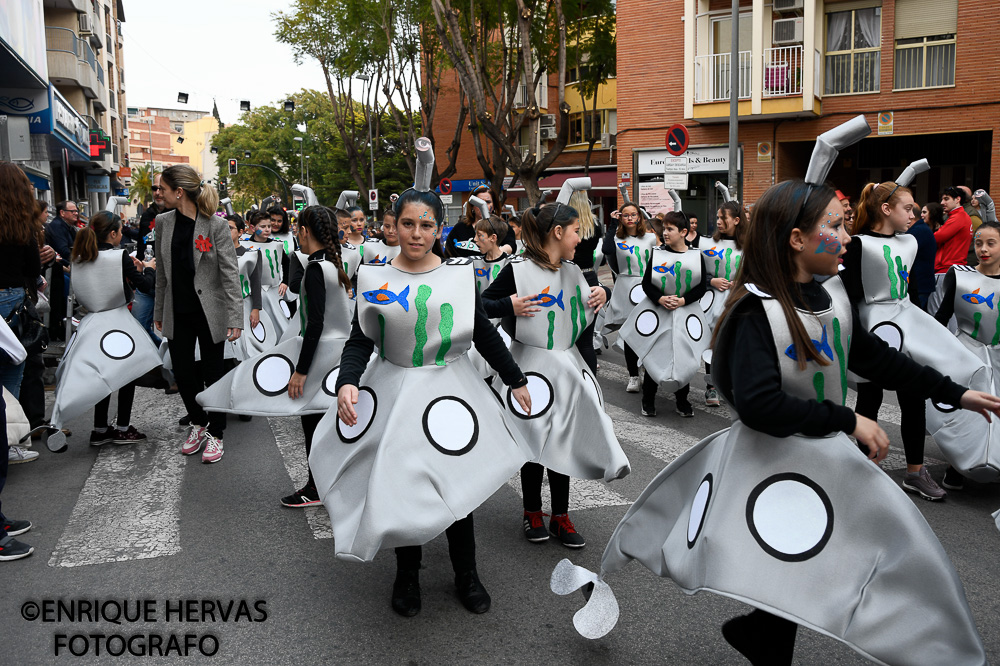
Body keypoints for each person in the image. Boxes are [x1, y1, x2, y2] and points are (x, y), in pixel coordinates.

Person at [556, 179, 999, 665]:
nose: (847, 237)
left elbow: (874, 356)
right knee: (804, 557)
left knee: (811, 561)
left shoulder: (830, 295)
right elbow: (759, 403)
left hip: (816, 453)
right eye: (834, 226)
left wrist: (954, 391)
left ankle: (766, 633)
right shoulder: (755, 311)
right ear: (795, 239)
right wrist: (848, 418)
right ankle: (771, 638)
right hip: (771, 459)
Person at [309, 183, 534, 618]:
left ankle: (466, 573)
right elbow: (360, 339)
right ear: (394, 226)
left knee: (457, 484)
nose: (415, 233)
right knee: (404, 484)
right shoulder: (373, 276)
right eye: (407, 223)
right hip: (395, 394)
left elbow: (482, 333)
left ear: (439, 228)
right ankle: (406, 575)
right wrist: (348, 381)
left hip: (452, 390)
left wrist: (515, 378)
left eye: (425, 225)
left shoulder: (458, 275)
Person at [483, 202, 625, 549]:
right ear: (558, 233)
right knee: (533, 439)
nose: (580, 238)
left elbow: (591, 304)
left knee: (564, 437)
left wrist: (603, 293)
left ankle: (560, 515)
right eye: (576, 231)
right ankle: (532, 511)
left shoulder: (575, 269)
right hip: (528, 369)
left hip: (567, 367)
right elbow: (480, 305)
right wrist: (509, 307)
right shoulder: (517, 270)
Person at [196, 207, 352, 506]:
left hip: (322, 357)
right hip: (336, 356)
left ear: (305, 231)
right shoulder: (330, 263)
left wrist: (301, 370)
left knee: (314, 426)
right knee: (327, 426)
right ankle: (324, 485)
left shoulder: (317, 268)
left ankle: (316, 488)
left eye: (297, 227)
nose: (294, 232)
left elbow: (315, 324)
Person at [842, 180, 987, 500]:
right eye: (907, 208)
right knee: (870, 397)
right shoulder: (856, 244)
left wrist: (924, 329)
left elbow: (911, 292)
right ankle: (869, 467)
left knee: (913, 396)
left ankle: (914, 471)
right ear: (885, 209)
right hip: (872, 326)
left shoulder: (909, 242)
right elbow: (850, 296)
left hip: (906, 322)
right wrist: (858, 335)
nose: (913, 214)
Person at [153, 165, 242, 464]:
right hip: (177, 310)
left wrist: (235, 317)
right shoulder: (162, 222)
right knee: (182, 371)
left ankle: (216, 433)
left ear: (179, 192)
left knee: (214, 373)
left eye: (162, 189)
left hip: (210, 310)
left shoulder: (214, 225)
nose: (158, 194)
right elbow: (161, 273)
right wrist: (159, 309)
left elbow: (230, 273)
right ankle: (197, 421)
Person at [67, 211, 156, 445]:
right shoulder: (120, 257)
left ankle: (99, 429)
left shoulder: (79, 257)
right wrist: (148, 268)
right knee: (127, 373)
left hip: (91, 324)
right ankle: (124, 427)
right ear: (114, 233)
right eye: (120, 231)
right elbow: (145, 286)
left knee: (102, 375)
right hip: (118, 322)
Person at [930, 220, 1000, 490]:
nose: (983, 249)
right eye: (978, 243)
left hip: (998, 354)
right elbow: (942, 316)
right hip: (967, 354)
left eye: (991, 243)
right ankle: (955, 465)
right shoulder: (961, 276)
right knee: (966, 413)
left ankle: (994, 459)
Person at [619, 212, 708, 417]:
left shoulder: (696, 256)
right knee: (655, 354)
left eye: (670, 229)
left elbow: (701, 287)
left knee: (683, 356)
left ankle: (682, 399)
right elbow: (647, 284)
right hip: (658, 312)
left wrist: (683, 301)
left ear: (683, 232)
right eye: (664, 229)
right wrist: (660, 299)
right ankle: (648, 398)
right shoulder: (657, 254)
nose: (665, 233)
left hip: (685, 314)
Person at [600, 202, 657, 392]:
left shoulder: (650, 238)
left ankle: (649, 371)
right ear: (621, 218)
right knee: (629, 333)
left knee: (648, 331)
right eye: (625, 215)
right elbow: (607, 251)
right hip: (625, 287)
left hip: (648, 287)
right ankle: (633, 375)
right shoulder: (616, 238)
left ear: (640, 217)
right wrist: (611, 224)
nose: (630, 218)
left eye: (634, 214)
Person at [0, 163, 43, 398]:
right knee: (12, 368)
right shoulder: (22, 224)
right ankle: (8, 428)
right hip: (12, 299)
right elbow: (34, 268)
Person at [700, 201, 746, 406]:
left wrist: (742, 283)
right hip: (712, 302)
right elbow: (696, 273)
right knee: (712, 344)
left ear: (736, 220)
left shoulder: (750, 245)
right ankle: (711, 388)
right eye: (717, 217)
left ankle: (733, 385)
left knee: (735, 345)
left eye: (723, 218)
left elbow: (759, 274)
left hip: (739, 301)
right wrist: (712, 280)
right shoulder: (707, 244)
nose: (718, 222)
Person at [445, 185, 516, 257]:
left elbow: (511, 246)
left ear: (494, 205)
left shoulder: (503, 227)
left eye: (488, 202)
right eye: (479, 202)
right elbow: (449, 254)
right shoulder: (460, 228)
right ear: (472, 205)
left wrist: (496, 252)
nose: (483, 205)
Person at [907, 201, 938, 310]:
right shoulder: (922, 229)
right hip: (922, 284)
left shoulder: (918, 231)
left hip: (920, 285)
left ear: (911, 216)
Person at [935, 186, 973, 273]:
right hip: (952, 267)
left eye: (946, 199)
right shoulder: (961, 216)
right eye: (942, 199)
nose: (942, 202)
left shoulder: (958, 216)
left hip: (947, 268)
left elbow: (937, 237)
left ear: (957, 199)